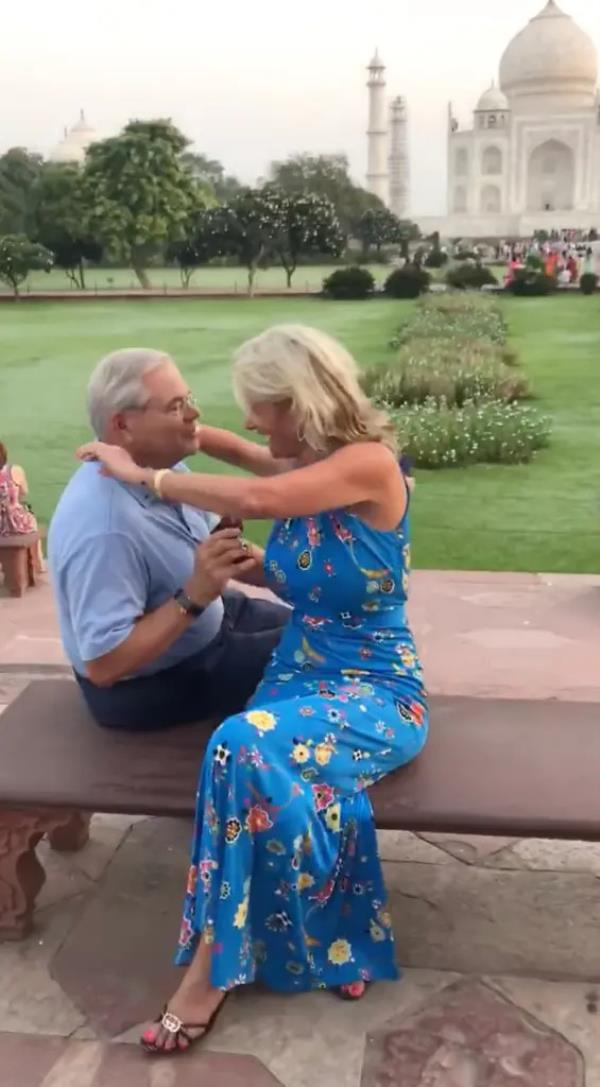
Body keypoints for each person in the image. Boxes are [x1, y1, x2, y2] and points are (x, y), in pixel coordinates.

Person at [77, 324, 429, 1054]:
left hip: (374, 686)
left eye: (259, 407)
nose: (248, 424)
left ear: (297, 401)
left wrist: (144, 473)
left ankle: (209, 969)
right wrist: (253, 570)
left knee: (236, 745)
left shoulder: (367, 465)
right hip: (300, 668)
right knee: (260, 771)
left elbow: (258, 490)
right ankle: (324, 929)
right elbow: (241, 462)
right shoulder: (307, 455)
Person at [48, 348, 290, 730]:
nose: (194, 414)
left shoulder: (162, 466)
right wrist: (195, 594)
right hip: (161, 681)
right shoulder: (106, 527)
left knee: (327, 627)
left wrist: (305, 584)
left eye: (188, 400)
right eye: (177, 406)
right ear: (122, 425)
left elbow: (224, 556)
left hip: (209, 621)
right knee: (324, 651)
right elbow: (104, 664)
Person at [0, 442, 39, 537]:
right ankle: (37, 551)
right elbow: (23, 492)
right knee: (30, 516)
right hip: (17, 522)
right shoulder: (16, 470)